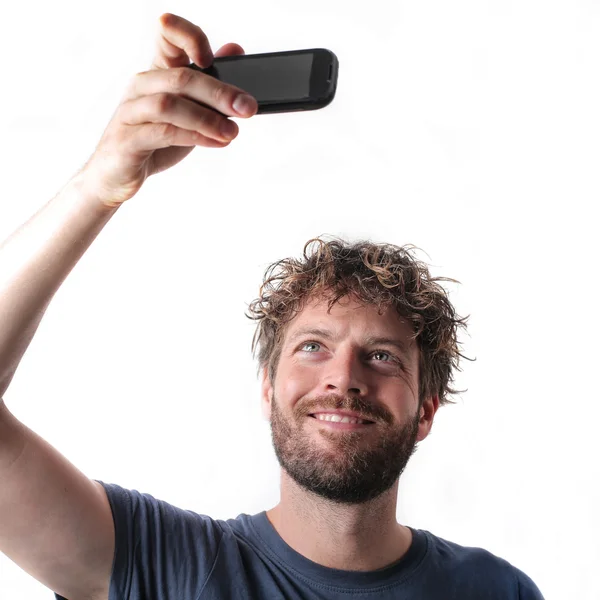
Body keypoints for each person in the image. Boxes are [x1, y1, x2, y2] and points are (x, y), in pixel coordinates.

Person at [0, 12, 545, 600]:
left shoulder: (496, 590)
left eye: (382, 356)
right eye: (313, 346)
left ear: (427, 410)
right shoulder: (166, 564)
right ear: (266, 386)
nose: (343, 378)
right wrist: (99, 183)